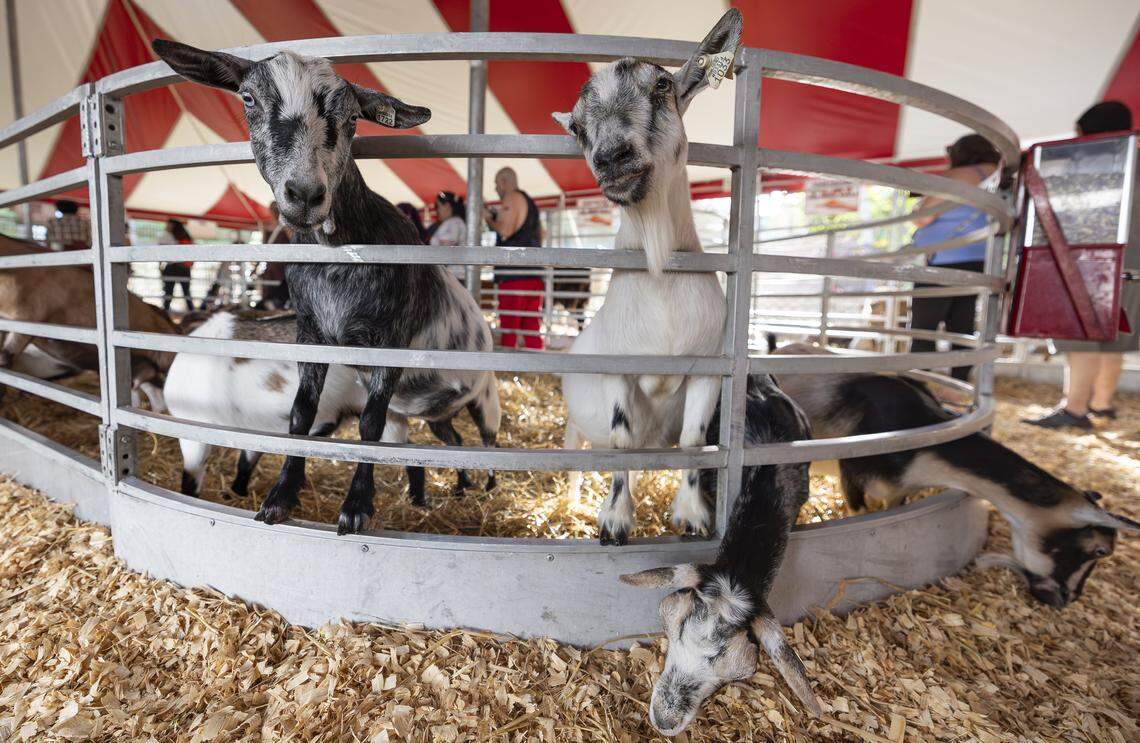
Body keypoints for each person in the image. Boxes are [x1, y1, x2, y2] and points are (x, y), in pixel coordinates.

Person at [1027, 101, 1138, 429]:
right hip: (1133, 267)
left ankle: (1074, 410)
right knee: (1114, 339)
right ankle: (1102, 406)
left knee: (1083, 336)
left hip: (1091, 260)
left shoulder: (1085, 160)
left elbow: (1069, 211)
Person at [907, 134, 1000, 381]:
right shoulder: (997, 175)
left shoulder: (958, 176)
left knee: (924, 327)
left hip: (945, 259)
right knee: (962, 324)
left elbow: (924, 216)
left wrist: (917, 209)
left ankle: (919, 382)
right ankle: (958, 383)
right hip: (979, 258)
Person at [485, 167, 544, 350]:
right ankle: (538, 370)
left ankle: (507, 369)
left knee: (510, 327)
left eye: (496, 185)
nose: (496, 190)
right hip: (533, 274)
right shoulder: (530, 203)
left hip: (514, 276)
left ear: (503, 182)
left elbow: (505, 231)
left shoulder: (511, 197)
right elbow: (541, 234)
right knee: (531, 328)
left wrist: (488, 218)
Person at [257, 202, 291, 310]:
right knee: (269, 292)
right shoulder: (266, 226)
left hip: (282, 266)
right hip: (271, 266)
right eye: (273, 210)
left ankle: (280, 308)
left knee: (281, 291)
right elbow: (263, 247)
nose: (275, 212)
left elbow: (293, 241)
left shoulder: (286, 226)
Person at [430, 191, 468, 281]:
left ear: (447, 206)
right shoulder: (456, 222)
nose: (437, 211)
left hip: (452, 276)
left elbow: (445, 250)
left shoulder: (453, 223)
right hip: (453, 275)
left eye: (438, 206)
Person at [159, 218, 195, 312]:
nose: (166, 226)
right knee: (185, 292)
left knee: (169, 292)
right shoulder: (185, 237)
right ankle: (192, 311)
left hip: (173, 267)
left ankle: (165, 312)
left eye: (168, 224)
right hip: (183, 268)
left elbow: (160, 251)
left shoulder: (168, 236)